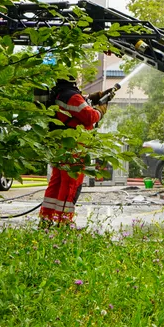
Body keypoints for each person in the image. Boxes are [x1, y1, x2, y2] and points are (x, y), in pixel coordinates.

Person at [40, 77, 103, 224]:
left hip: (60, 145)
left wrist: (90, 98)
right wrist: (100, 110)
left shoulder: (57, 93)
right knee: (70, 184)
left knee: (57, 182)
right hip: (74, 145)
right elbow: (89, 116)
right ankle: (64, 222)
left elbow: (74, 107)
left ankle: (47, 218)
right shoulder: (72, 96)